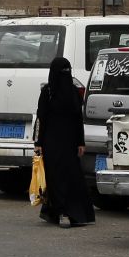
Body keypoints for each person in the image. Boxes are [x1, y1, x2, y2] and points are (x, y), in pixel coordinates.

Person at [33, 57, 94, 227]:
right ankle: (61, 212)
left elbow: (77, 119)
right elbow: (41, 118)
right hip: (51, 143)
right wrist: (37, 143)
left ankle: (77, 213)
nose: (65, 75)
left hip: (70, 143)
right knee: (56, 178)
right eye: (62, 71)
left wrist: (81, 142)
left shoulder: (73, 92)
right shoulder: (48, 92)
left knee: (72, 177)